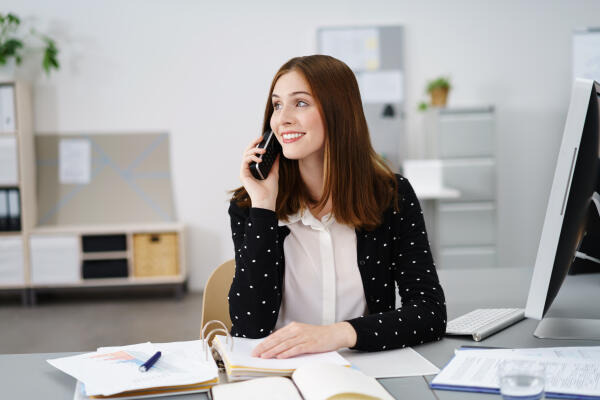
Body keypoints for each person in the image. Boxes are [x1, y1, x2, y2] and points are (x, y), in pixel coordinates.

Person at [228, 55, 446, 359]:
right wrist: (263, 205)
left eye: (300, 103)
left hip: (365, 367)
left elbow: (429, 314)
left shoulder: (391, 196)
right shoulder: (249, 206)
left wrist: (337, 333)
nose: (282, 119)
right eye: (277, 105)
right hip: (281, 373)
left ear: (339, 112)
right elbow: (249, 326)